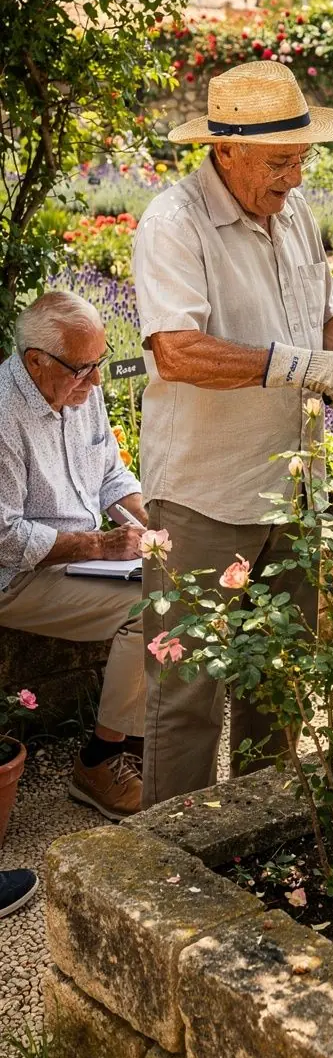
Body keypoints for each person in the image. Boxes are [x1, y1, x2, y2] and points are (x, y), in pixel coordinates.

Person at [132, 60, 333, 807]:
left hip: (293, 488)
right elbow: (177, 352)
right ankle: (169, 864)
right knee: (186, 693)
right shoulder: (173, 224)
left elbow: (326, 313)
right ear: (226, 150)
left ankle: (257, 839)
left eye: (302, 159)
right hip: (205, 497)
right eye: (281, 162)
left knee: (276, 681)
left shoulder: (295, 211)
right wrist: (304, 366)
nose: (293, 177)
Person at [0, 292, 146, 820]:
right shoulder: (3, 414)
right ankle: (100, 762)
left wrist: (148, 523)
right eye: (84, 368)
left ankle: (139, 744)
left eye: (100, 364)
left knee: (187, 582)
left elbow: (109, 472)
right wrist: (101, 545)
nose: (97, 381)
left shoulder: (80, 389)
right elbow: (5, 537)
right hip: (16, 577)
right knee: (151, 609)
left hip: (78, 559)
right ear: (36, 359)